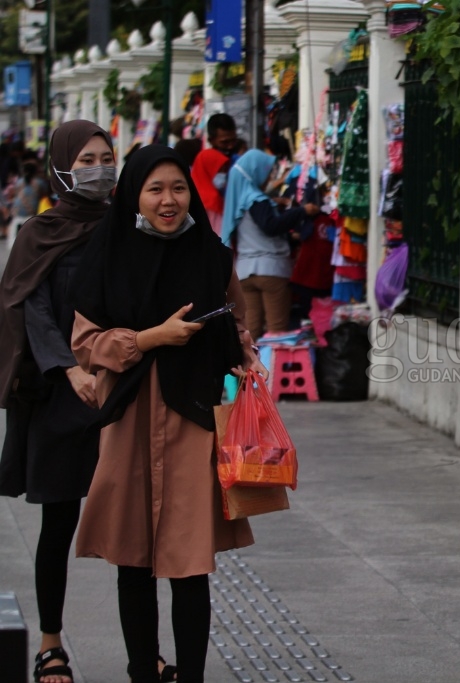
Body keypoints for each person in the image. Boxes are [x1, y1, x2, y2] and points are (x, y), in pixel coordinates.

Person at [69, 145, 268, 683]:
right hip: (130, 418)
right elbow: (86, 343)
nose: (168, 200)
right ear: (134, 192)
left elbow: (233, 320)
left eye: (179, 188)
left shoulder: (209, 252)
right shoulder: (109, 252)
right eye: (155, 189)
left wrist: (246, 354)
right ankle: (143, 672)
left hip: (192, 417)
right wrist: (150, 338)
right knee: (132, 557)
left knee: (189, 562)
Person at [0, 121, 118, 683]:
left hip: (122, 392)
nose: (100, 167)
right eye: (88, 158)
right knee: (58, 523)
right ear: (64, 166)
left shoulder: (130, 225)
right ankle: (51, 643)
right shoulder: (39, 232)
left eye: (107, 156)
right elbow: (32, 306)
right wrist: (69, 368)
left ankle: (143, 652)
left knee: (132, 528)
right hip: (59, 396)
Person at [221, 149, 318, 339]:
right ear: (255, 172)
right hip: (271, 270)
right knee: (277, 332)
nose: (269, 178)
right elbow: (270, 226)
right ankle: (269, 369)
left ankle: (249, 369)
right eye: (268, 172)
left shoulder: (239, 200)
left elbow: (255, 233)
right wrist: (302, 211)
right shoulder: (257, 199)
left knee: (250, 333)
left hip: (245, 273)